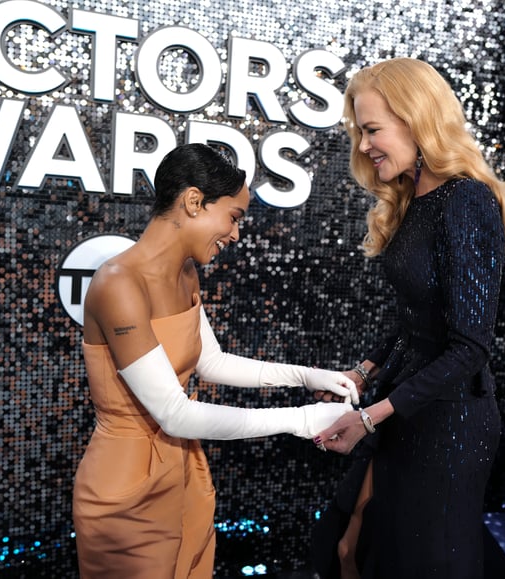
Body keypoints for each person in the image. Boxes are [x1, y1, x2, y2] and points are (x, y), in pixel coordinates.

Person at [72, 143, 357, 579]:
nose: (235, 234)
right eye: (234, 217)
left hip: (185, 470)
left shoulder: (186, 272)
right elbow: (174, 413)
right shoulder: (118, 284)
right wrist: (299, 420)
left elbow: (212, 363)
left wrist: (306, 376)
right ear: (193, 201)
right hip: (125, 490)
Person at [310, 58, 505, 578]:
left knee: (416, 563)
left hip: (449, 423)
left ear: (415, 119)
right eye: (360, 132)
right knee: (349, 547)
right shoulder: (416, 199)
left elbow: (469, 347)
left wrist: (368, 417)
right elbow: (417, 317)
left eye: (372, 130)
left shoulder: (465, 200)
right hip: (405, 404)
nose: (363, 146)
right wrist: (362, 372)